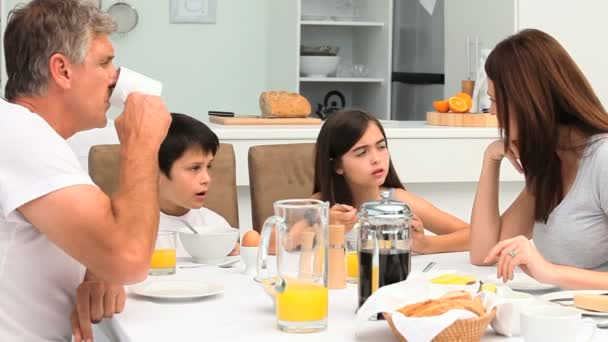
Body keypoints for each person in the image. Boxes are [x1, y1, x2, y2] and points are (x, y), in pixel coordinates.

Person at [0, 1, 172, 341]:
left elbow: (111, 246)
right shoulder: (18, 132)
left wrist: (97, 266)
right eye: (105, 62)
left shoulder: (29, 136)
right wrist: (142, 143)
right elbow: (131, 258)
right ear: (62, 70)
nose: (116, 79)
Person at [469, 29, 608, 289]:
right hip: (564, 315)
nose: (492, 112)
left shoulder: (602, 159)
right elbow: (484, 252)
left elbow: (548, 272)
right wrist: (491, 158)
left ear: (529, 100)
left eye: (496, 101)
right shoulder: (551, 160)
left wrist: (550, 272)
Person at [312, 109, 469, 254]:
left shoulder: (398, 200)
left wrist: (426, 244)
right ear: (337, 165)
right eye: (361, 153)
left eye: (381, 147)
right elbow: (290, 240)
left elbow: (473, 235)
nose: (376, 159)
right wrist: (324, 226)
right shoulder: (320, 205)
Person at [158, 113, 239, 256]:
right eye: (195, 168)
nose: (206, 179)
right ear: (156, 171)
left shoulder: (216, 227)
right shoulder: (129, 228)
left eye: (208, 166)